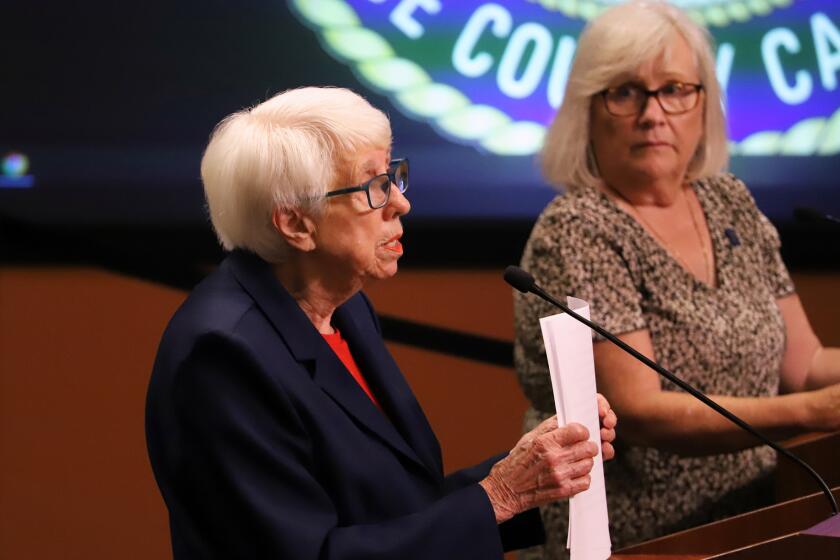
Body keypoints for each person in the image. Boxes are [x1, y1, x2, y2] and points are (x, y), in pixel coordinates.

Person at [145, 86, 618, 559]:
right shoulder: (223, 356)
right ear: (295, 225)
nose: (400, 203)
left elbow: (398, 508)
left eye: (393, 175)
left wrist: (534, 473)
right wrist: (497, 496)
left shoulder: (344, 309)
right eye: (373, 186)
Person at [513, 1, 840, 557]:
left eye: (675, 89)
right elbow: (641, 410)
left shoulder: (729, 201)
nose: (653, 113)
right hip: (642, 539)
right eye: (625, 92)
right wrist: (814, 412)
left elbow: (804, 363)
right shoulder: (577, 228)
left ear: (704, 104)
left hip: (763, 517)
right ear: (587, 111)